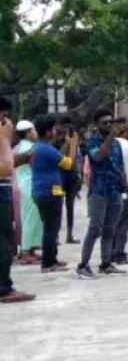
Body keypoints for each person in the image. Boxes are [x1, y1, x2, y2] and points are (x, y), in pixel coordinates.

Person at [78, 109, 128, 279]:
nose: (108, 125)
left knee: (109, 229)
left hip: (114, 191)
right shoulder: (92, 142)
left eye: (110, 122)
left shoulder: (116, 144)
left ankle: (105, 263)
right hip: (98, 192)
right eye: (104, 122)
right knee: (95, 228)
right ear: (97, 125)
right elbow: (99, 157)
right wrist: (109, 137)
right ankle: (83, 265)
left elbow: (120, 168)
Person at [30, 115, 77, 273]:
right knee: (51, 229)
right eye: (54, 129)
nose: (56, 131)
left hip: (43, 191)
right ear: (48, 131)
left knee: (51, 228)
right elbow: (68, 164)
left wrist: (66, 144)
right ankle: (48, 263)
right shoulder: (45, 149)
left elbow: (58, 157)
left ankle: (52, 259)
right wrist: (74, 145)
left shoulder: (40, 147)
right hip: (50, 192)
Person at [1, 98, 36, 303]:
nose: (6, 124)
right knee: (4, 244)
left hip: (7, 190)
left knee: (8, 238)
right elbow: (6, 168)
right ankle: (4, 288)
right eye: (3, 118)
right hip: (12, 189)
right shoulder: (5, 139)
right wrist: (5, 139)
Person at [14, 121, 42, 265]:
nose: (35, 133)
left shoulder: (20, 146)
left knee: (32, 216)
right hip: (29, 185)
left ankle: (30, 249)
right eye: (34, 130)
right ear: (28, 132)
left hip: (25, 184)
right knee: (30, 217)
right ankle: (25, 252)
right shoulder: (30, 148)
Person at [56, 117, 83, 244]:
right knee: (57, 205)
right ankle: (55, 236)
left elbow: (78, 159)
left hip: (72, 176)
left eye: (69, 127)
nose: (67, 129)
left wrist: (79, 176)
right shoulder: (56, 141)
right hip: (59, 175)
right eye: (64, 127)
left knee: (70, 205)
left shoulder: (75, 141)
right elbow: (57, 158)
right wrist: (67, 144)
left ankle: (69, 234)